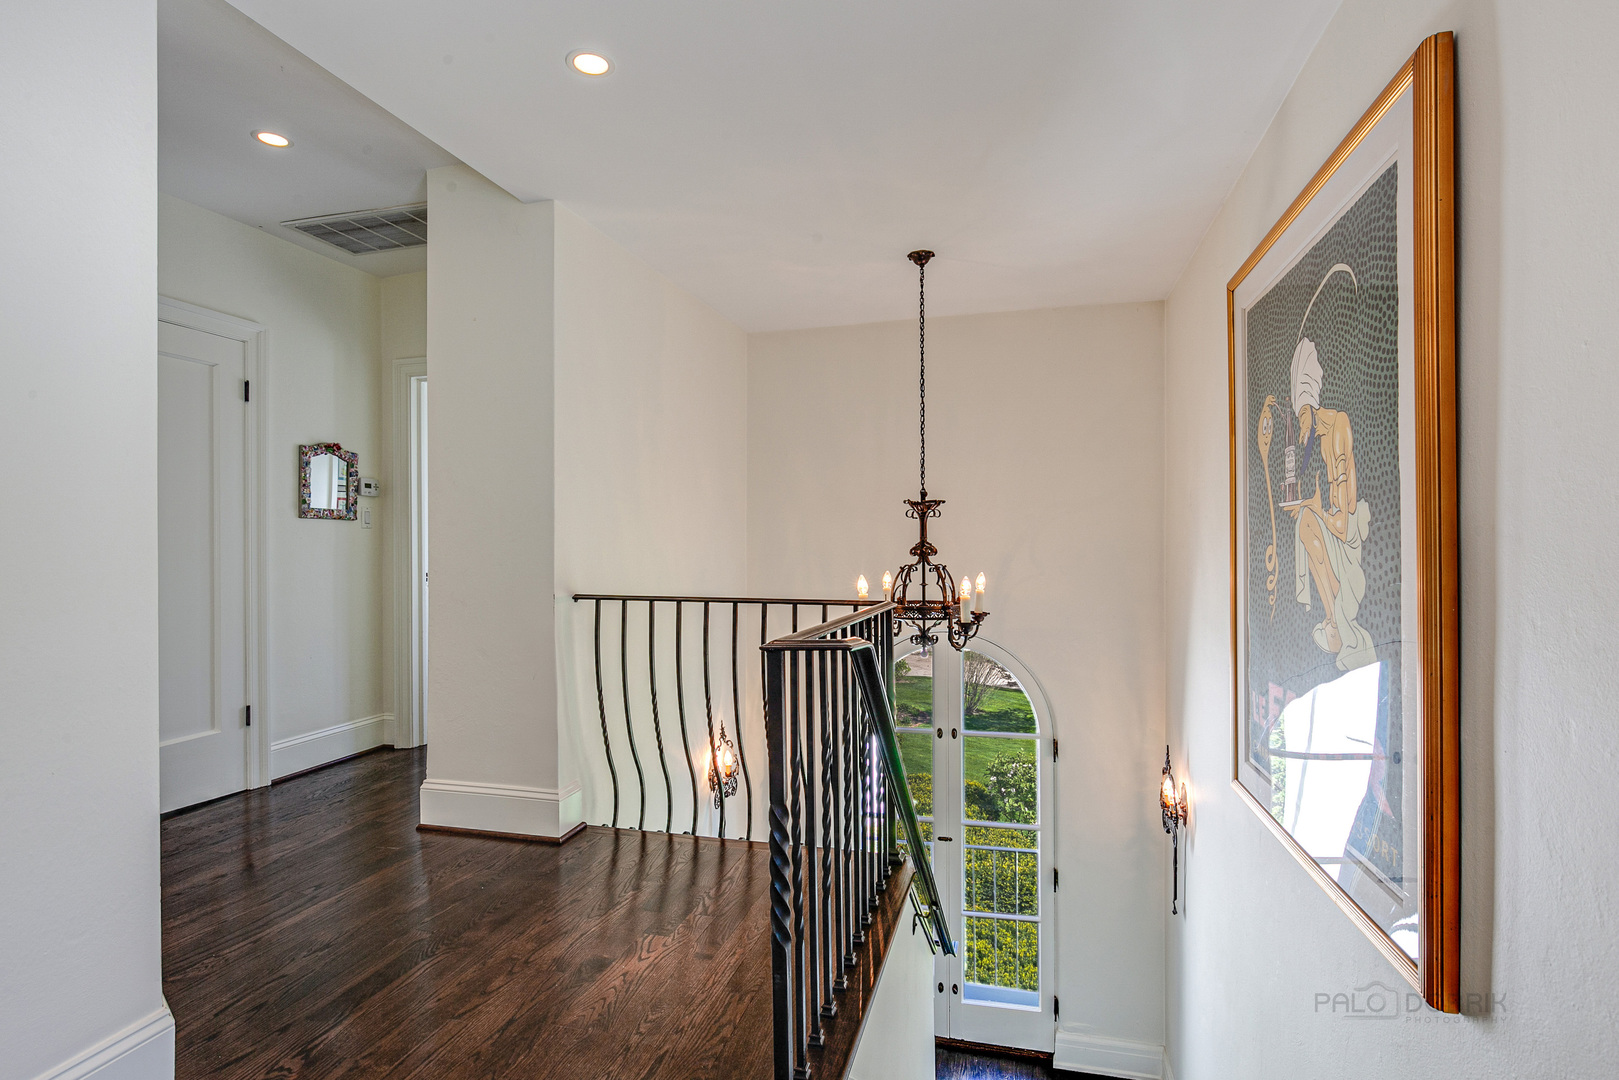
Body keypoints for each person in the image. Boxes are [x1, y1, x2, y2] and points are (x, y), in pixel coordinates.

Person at [1284, 336, 1376, 672]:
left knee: (1308, 523)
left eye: (1301, 420)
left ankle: (1338, 621)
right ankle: (1333, 617)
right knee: (1305, 524)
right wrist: (1309, 506)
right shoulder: (1321, 439)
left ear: (1310, 411)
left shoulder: (1337, 430)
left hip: (1346, 535)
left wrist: (1314, 510)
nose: (1301, 432)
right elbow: (1326, 505)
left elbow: (1340, 521)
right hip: (1335, 526)